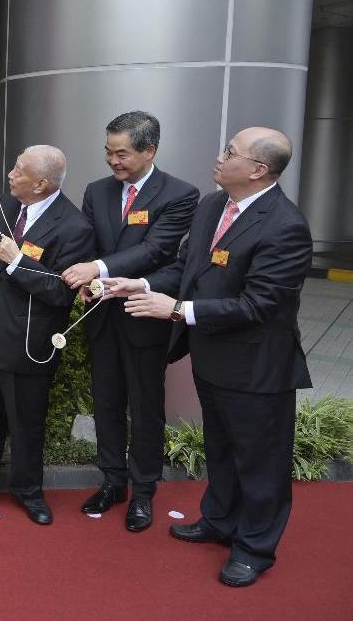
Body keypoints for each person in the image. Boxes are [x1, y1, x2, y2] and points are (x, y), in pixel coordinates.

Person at [104, 127, 312, 587]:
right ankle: (219, 520)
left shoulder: (285, 226)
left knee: (260, 463)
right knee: (220, 448)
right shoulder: (213, 206)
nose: (219, 158)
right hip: (213, 358)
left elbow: (259, 305)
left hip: (258, 368)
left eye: (230, 152)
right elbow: (188, 268)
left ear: (259, 170)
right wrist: (139, 285)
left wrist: (177, 310)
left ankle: (255, 548)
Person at [61, 111, 199, 531]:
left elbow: (156, 250)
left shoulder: (179, 194)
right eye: (108, 152)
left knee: (145, 407)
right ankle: (112, 482)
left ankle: (143, 491)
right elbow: (82, 242)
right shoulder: (97, 191)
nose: (113, 161)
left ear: (149, 150)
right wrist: (83, 278)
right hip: (101, 316)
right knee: (106, 403)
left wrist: (96, 269)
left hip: (144, 317)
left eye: (122, 153)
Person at [0, 145, 95, 525]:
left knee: (26, 421)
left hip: (30, 341)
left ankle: (28, 491)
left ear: (42, 184)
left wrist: (18, 261)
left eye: (19, 170)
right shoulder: (6, 204)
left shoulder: (74, 227)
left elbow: (61, 293)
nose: (10, 175)